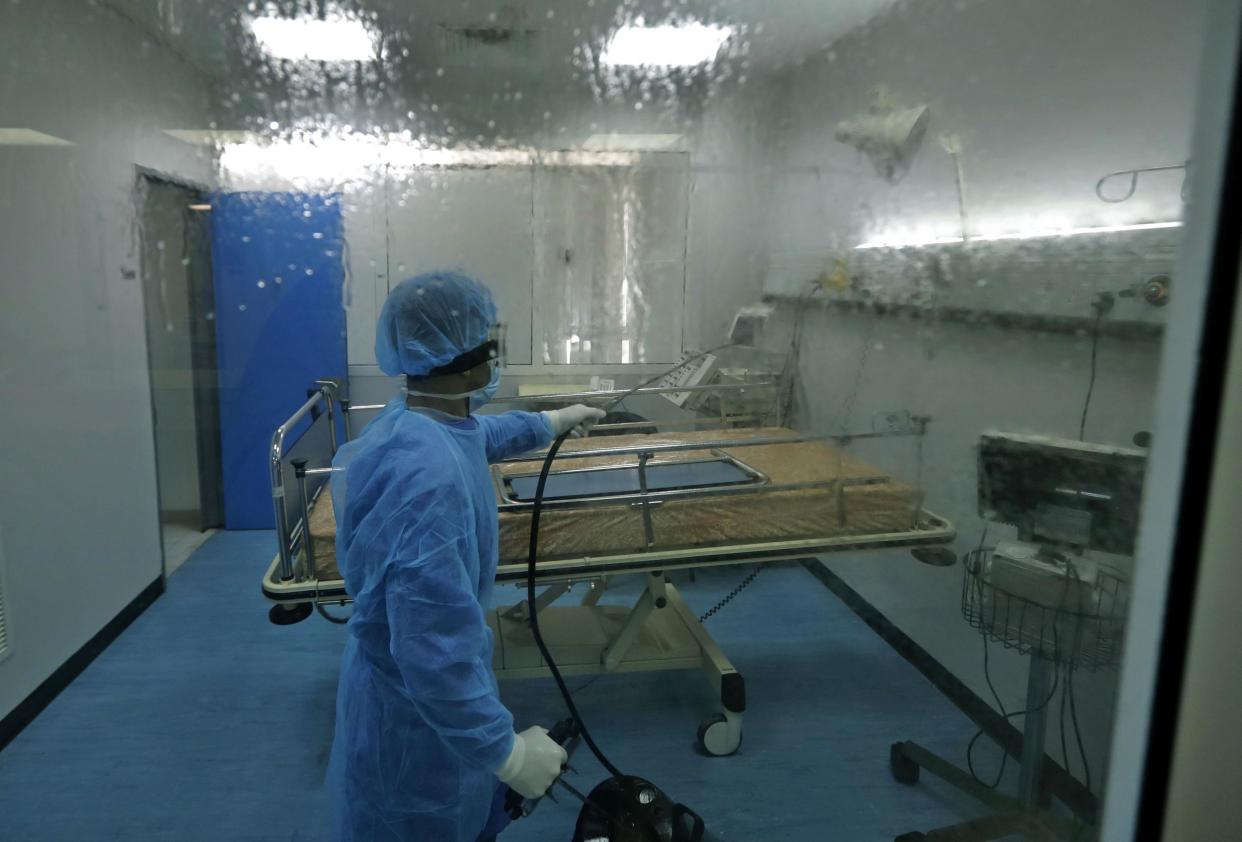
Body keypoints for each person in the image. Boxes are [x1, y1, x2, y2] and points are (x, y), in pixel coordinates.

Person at [327, 271, 606, 842]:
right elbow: (430, 648)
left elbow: (481, 434)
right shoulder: (426, 484)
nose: (498, 355)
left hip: (408, 702)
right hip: (415, 725)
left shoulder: (420, 421)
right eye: (492, 343)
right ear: (464, 360)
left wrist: (551, 422)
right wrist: (504, 753)